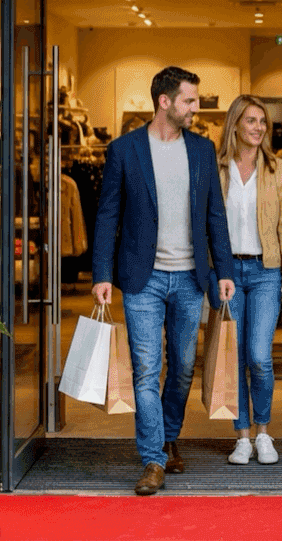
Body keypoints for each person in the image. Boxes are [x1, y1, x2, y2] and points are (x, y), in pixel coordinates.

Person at [92, 66, 236, 496]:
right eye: (190, 100)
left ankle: (169, 434)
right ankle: (153, 458)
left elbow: (215, 215)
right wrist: (102, 273)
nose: (196, 108)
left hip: (191, 278)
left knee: (183, 369)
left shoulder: (203, 149)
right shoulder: (124, 150)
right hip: (143, 279)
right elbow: (107, 215)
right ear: (165, 101)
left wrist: (224, 270)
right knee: (146, 370)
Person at [217, 95, 282, 466]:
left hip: (266, 271)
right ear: (235, 124)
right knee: (234, 357)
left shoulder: (277, 169)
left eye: (262, 121)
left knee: (259, 356)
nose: (258, 127)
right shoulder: (218, 167)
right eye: (251, 120)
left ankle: (264, 432)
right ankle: (242, 437)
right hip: (228, 274)